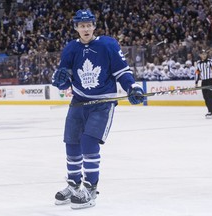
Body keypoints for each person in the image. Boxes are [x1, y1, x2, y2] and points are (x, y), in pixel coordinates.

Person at [51, 9, 144, 210]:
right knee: (72, 142)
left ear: (94, 26)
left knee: (89, 141)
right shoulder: (70, 49)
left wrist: (132, 87)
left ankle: (90, 188)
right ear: (76, 27)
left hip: (102, 102)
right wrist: (60, 81)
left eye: (89, 25)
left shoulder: (108, 44)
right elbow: (64, 77)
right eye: (81, 25)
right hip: (79, 101)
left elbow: (122, 71)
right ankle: (74, 185)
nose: (86, 28)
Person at [195, 49, 212, 118]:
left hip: (210, 80)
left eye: (205, 54)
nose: (204, 55)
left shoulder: (210, 62)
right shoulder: (198, 63)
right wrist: (196, 82)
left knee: (211, 96)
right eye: (202, 54)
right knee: (205, 97)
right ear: (200, 55)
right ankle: (209, 111)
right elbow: (197, 73)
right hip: (204, 81)